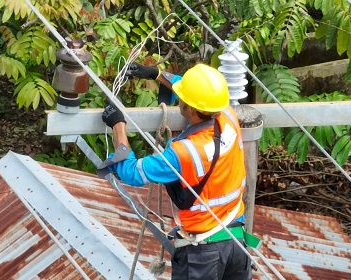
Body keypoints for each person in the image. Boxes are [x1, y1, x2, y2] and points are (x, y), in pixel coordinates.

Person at [101, 63, 252, 280]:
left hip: (203, 253)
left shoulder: (184, 153)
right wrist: (158, 74)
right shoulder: (228, 117)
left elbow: (130, 172)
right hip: (237, 242)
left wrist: (118, 125)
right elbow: (199, 93)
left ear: (189, 109)